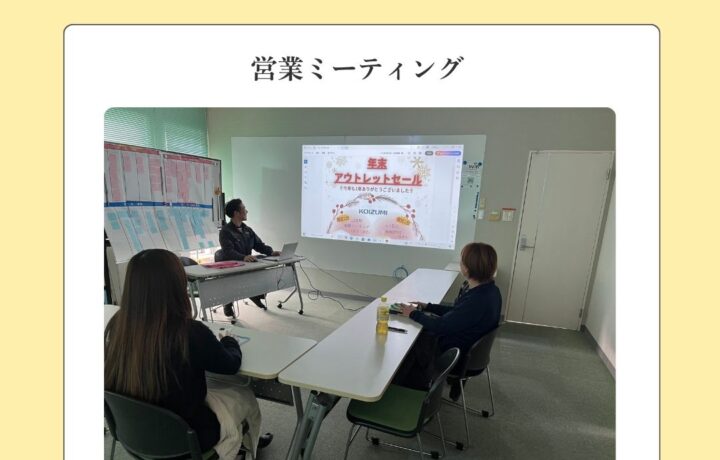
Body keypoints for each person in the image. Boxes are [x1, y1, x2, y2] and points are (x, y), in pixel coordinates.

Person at [105, 249, 273, 460]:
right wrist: (229, 341)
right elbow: (230, 365)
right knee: (244, 394)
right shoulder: (190, 332)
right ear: (177, 285)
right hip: (189, 436)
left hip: (136, 433)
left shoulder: (117, 326)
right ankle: (246, 440)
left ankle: (242, 439)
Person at [395, 242, 502, 399]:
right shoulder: (490, 291)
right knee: (422, 329)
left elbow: (441, 326)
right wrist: (427, 307)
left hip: (455, 355)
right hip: (469, 352)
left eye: (462, 261)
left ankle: (407, 392)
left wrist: (413, 314)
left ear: (467, 268)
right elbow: (457, 312)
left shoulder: (477, 300)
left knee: (413, 341)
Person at [218, 199, 280, 317]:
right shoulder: (225, 231)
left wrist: (271, 252)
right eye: (244, 209)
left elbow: (259, 245)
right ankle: (228, 302)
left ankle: (255, 294)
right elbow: (228, 252)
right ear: (236, 213)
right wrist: (243, 257)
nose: (246, 211)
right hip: (233, 268)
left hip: (247, 265)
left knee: (266, 273)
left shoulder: (247, 230)